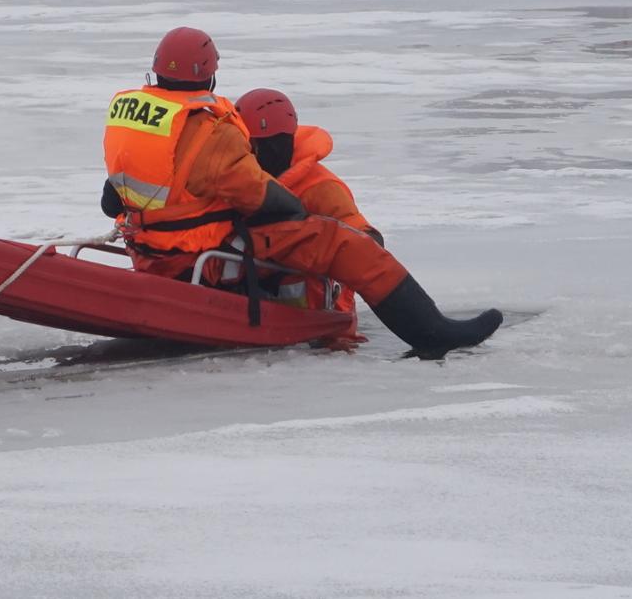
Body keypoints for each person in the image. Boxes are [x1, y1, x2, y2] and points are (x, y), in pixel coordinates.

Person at [100, 27, 500, 359]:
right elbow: (254, 193)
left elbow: (112, 196)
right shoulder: (210, 130)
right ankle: (430, 331)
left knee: (345, 237)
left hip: (151, 247)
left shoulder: (131, 116)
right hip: (200, 251)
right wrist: (290, 209)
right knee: (340, 243)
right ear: (210, 74)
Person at [235, 88, 376, 326]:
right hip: (255, 303)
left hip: (319, 321)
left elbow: (367, 242)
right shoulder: (242, 180)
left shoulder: (320, 188)